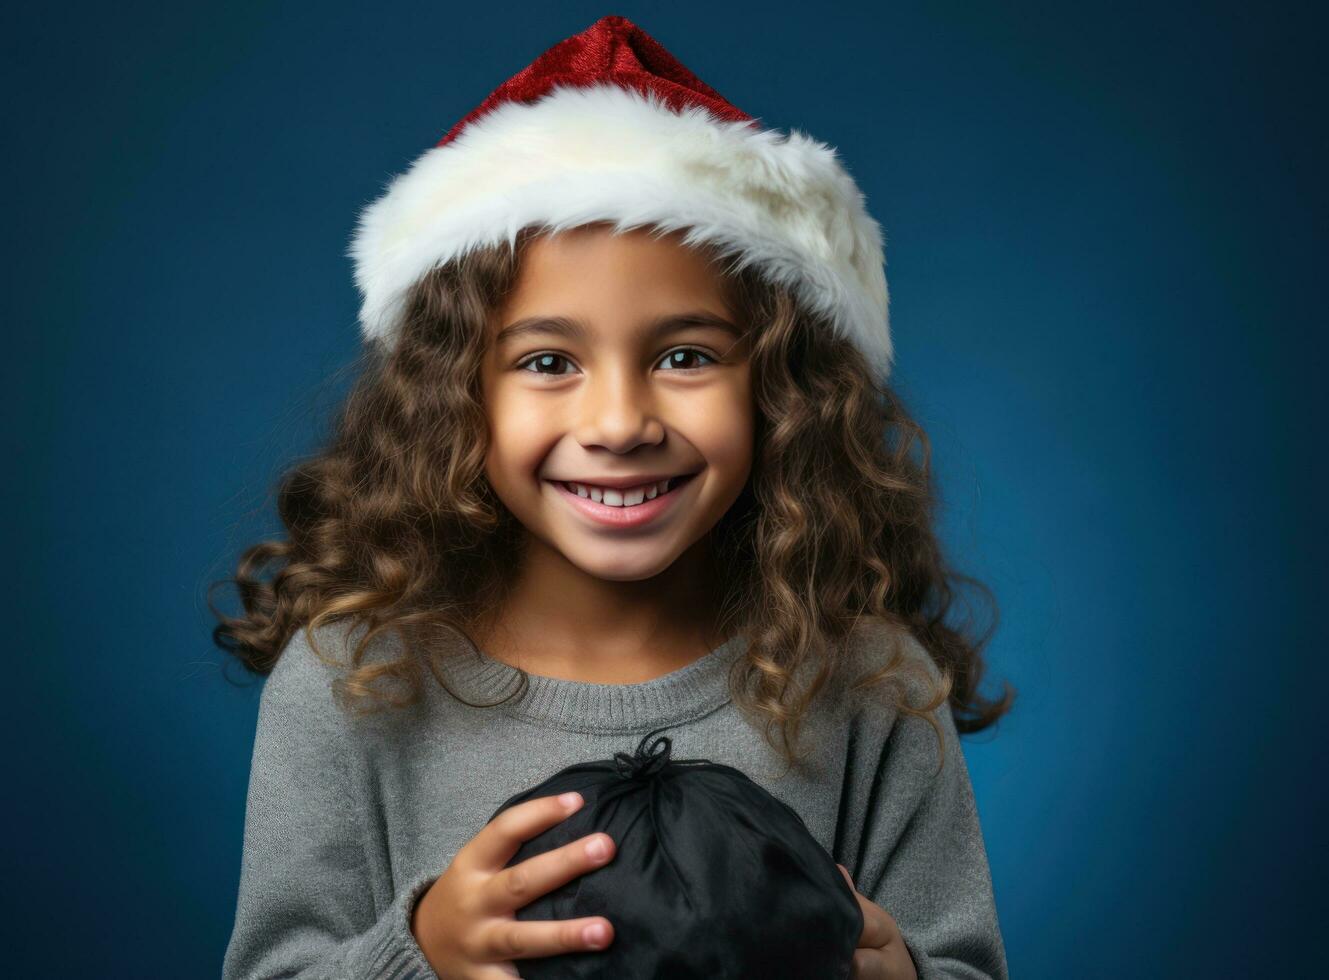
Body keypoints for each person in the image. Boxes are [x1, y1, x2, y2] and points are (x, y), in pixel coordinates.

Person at [215, 14, 1015, 980]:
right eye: (548, 361)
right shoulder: (353, 680)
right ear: (453, 394)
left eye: (685, 356)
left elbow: (962, 963)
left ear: (782, 391)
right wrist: (418, 954)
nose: (620, 421)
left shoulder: (870, 682)